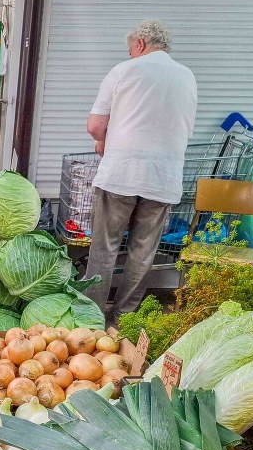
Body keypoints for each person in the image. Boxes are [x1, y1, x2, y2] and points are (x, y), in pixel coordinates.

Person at [83, 20, 198, 321]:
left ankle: (92, 317)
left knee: (105, 248)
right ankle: (124, 317)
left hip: (122, 173)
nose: (131, 55)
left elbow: (95, 126)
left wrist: (103, 140)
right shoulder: (187, 76)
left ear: (141, 45)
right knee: (142, 252)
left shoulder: (125, 71)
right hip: (163, 178)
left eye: (131, 50)